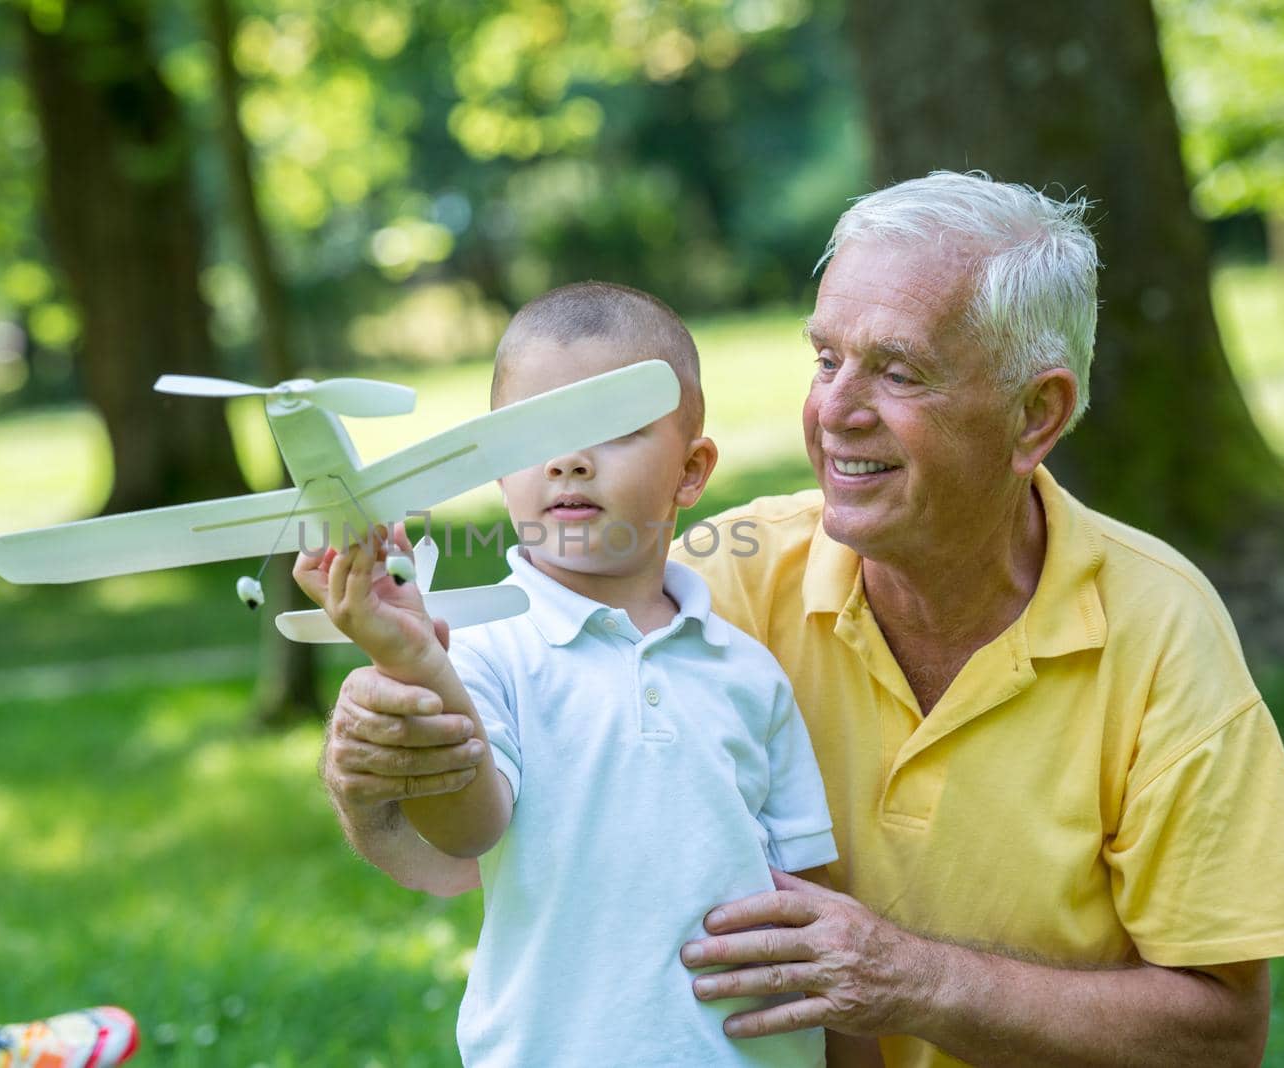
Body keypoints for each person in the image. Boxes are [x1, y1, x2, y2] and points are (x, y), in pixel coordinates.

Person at [313, 172, 1284, 1066]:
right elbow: (464, 834)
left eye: (898, 370)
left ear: (1035, 417)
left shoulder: (1155, 626)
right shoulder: (703, 587)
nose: (835, 409)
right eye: (825, 358)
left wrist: (915, 982)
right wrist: (380, 757)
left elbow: (1221, 1035)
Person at [293, 281, 874, 1066]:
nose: (567, 459)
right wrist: (413, 657)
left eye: (609, 427)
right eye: (533, 434)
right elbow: (469, 827)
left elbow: (816, 912)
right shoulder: (482, 650)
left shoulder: (748, 672)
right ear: (497, 467)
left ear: (691, 471)